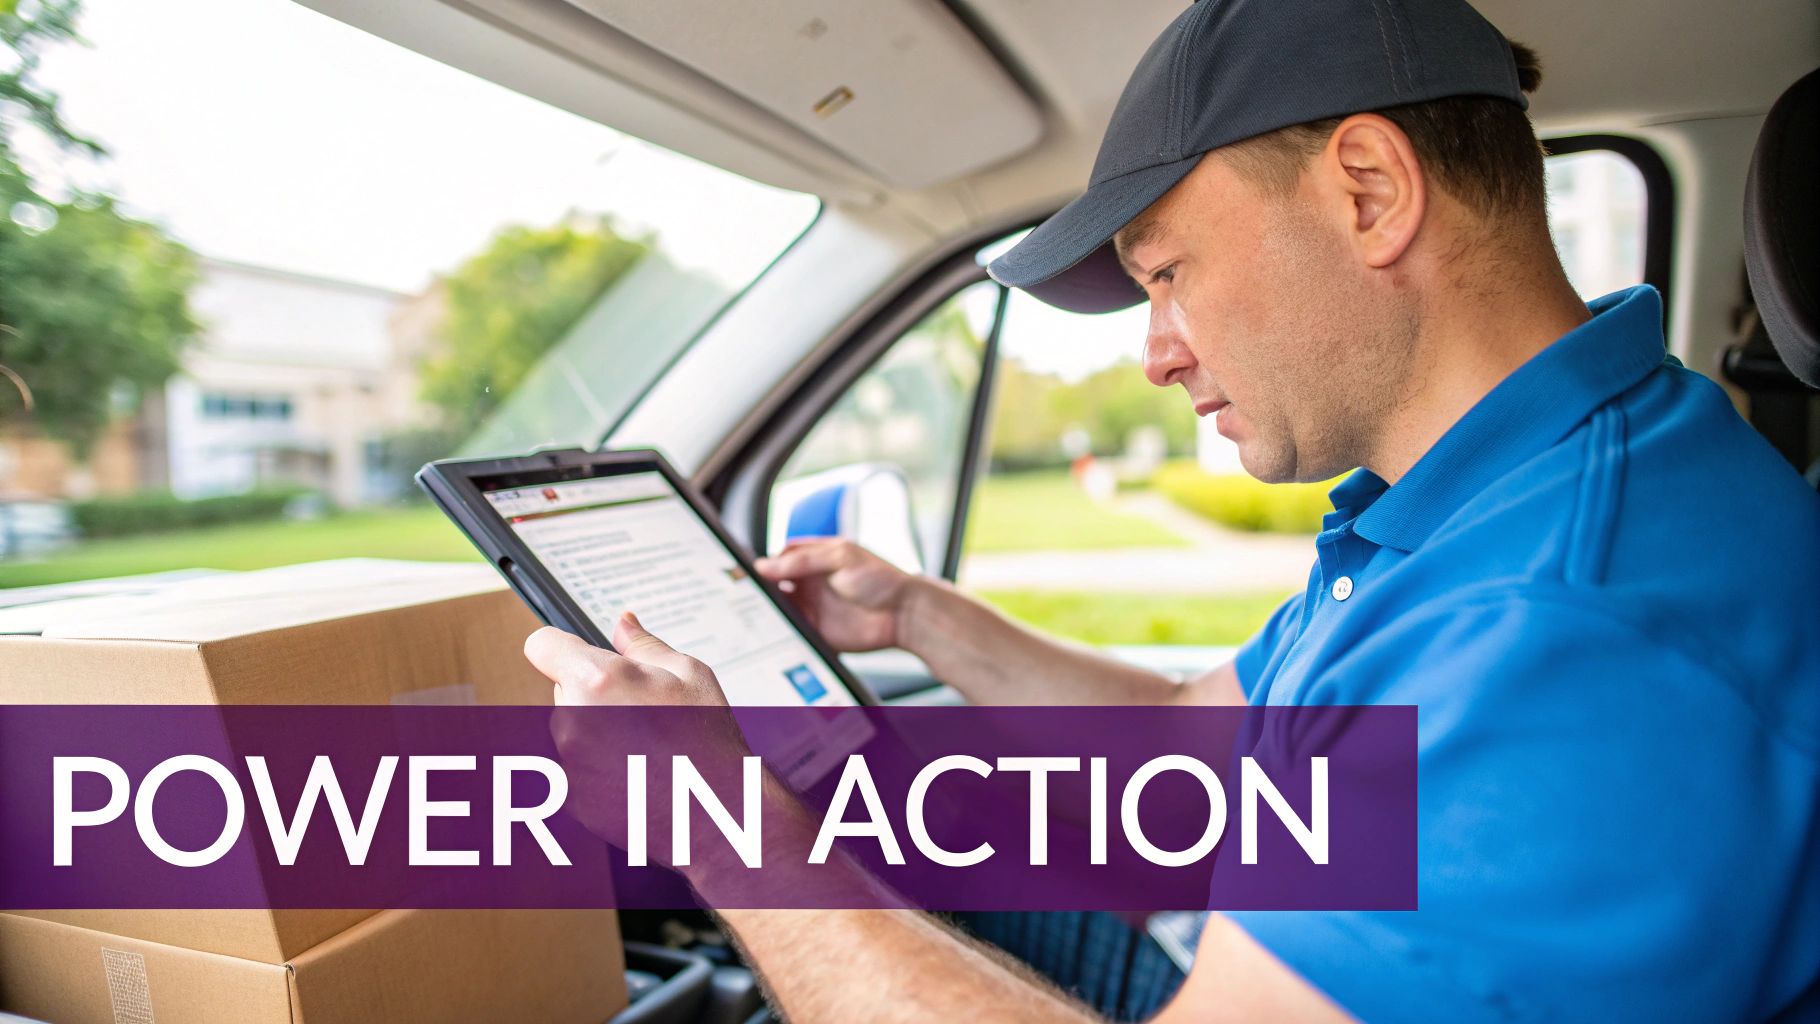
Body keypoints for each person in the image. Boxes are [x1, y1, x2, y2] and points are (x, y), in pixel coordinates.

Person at [525, 0, 1820, 1019]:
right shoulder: (1493, 496)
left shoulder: (1575, 630)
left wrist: (716, 824)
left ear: (1369, 191)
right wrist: (920, 616)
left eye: (1170, 273)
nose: (1158, 350)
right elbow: (1197, 742)